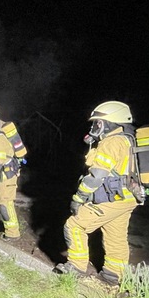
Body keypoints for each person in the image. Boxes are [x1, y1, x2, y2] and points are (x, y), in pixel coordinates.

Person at [53, 101, 140, 286]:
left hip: (112, 198)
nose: (94, 127)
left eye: (98, 123)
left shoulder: (111, 143)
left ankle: (75, 268)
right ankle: (113, 276)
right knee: (115, 236)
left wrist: (79, 198)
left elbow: (96, 175)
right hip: (127, 198)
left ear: (110, 123)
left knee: (74, 226)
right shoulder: (128, 140)